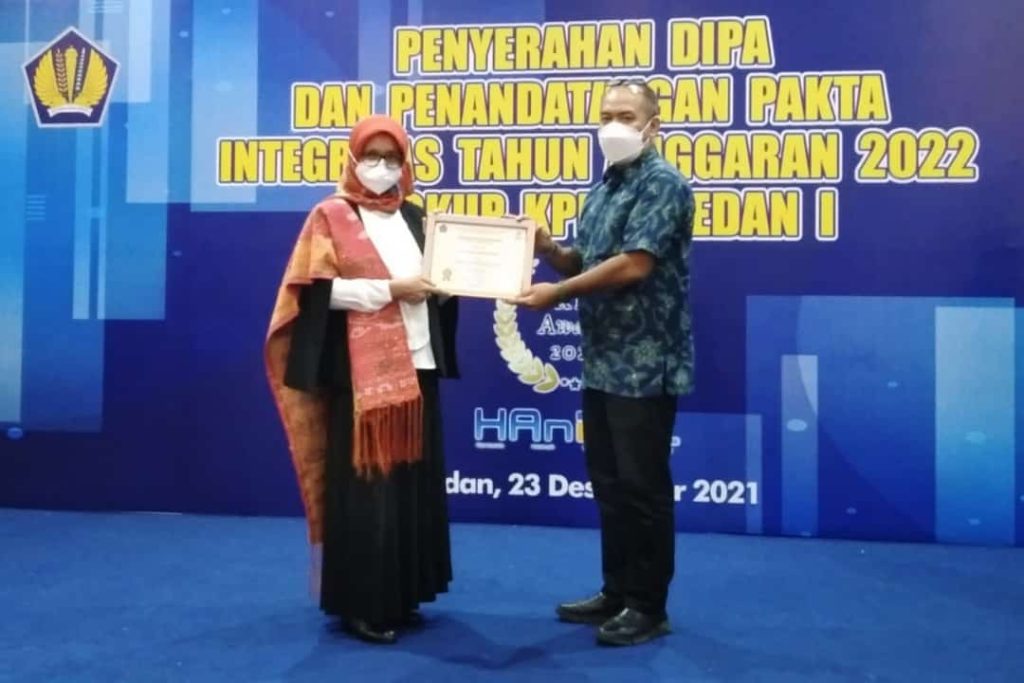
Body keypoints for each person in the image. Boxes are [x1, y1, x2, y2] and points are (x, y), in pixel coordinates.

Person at [513, 78, 694, 647]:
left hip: (646, 363)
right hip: (603, 361)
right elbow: (587, 262)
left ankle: (648, 606)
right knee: (611, 485)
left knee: (643, 488)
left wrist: (557, 295)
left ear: (652, 125)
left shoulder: (663, 184)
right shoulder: (606, 185)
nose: (613, 125)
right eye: (606, 115)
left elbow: (635, 264)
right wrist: (549, 250)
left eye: (626, 115)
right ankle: (617, 591)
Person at [265, 115, 458, 645]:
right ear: (352, 159)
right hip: (360, 374)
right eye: (371, 156)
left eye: (392, 158)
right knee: (367, 488)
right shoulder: (330, 216)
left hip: (419, 366)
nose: (381, 167)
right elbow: (316, 293)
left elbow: (438, 284)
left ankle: (404, 593)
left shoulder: (416, 216)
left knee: (410, 485)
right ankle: (362, 604)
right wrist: (390, 290)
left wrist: (449, 284)